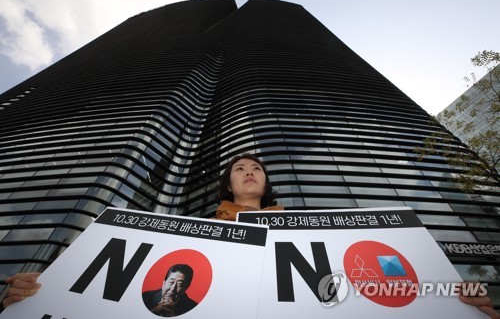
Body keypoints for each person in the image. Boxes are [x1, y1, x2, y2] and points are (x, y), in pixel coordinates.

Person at [1, 153, 498, 318]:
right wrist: (34, 299)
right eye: (240, 167)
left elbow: (358, 290)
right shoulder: (186, 238)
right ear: (228, 183)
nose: (249, 170)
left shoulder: (314, 234)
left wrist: (446, 301)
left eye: (257, 166)